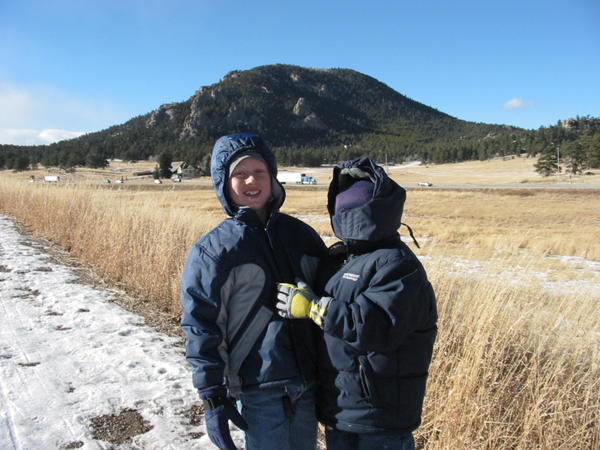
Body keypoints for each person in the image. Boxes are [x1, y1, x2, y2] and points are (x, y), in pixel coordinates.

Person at [276, 157, 438, 450]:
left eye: (350, 208)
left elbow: (376, 325)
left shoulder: (397, 265)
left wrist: (314, 308)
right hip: (343, 409)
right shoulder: (341, 258)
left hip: (379, 417)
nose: (343, 212)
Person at [180, 133, 326, 450]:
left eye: (260, 171)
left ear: (272, 177)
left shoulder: (301, 235)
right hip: (258, 387)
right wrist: (212, 396)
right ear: (223, 181)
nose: (251, 180)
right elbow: (201, 324)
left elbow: (330, 295)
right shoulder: (214, 251)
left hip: (308, 382)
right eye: (239, 173)